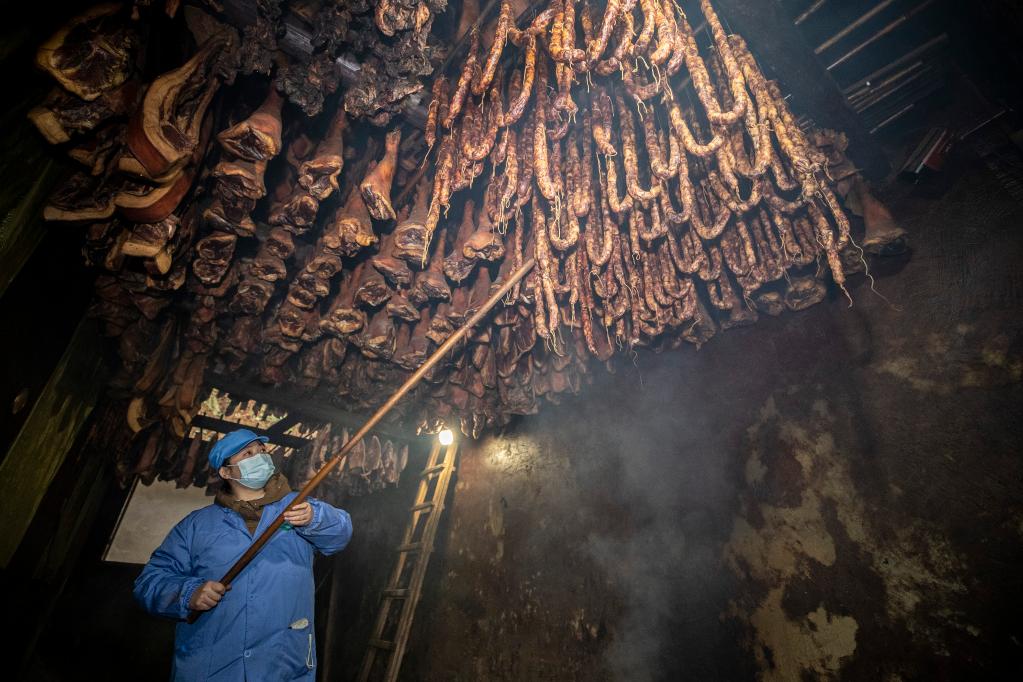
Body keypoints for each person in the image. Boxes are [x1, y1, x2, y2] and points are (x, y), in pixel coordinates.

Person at [133, 427, 352, 681]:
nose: (260, 457)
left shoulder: (299, 506)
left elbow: (341, 532)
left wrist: (317, 518)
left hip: (282, 664)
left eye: (262, 451)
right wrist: (188, 593)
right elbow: (148, 583)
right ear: (226, 472)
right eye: (248, 453)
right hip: (210, 667)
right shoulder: (196, 526)